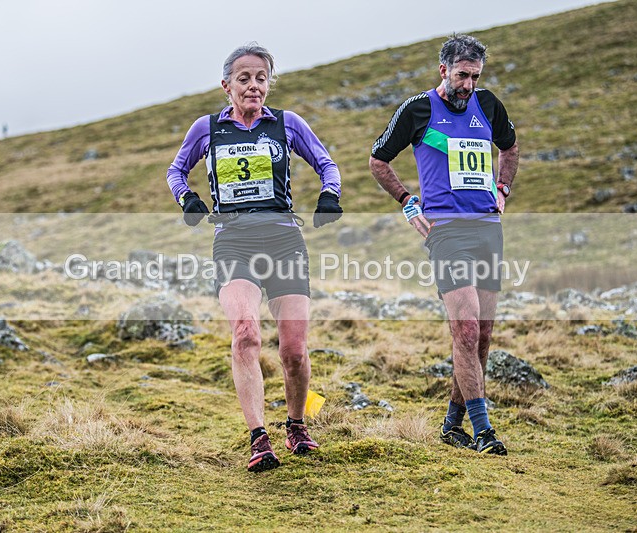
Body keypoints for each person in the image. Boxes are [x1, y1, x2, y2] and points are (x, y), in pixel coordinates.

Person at [166, 42, 343, 472]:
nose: (253, 86)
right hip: (233, 242)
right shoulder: (206, 128)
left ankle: (297, 425)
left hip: (284, 242)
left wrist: (329, 195)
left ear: (269, 84)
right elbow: (175, 170)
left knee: (294, 351)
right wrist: (187, 198)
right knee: (245, 333)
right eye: (244, 78)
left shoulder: (287, 123)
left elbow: (326, 163)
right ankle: (258, 437)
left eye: (261, 78)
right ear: (227, 85)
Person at [369, 34, 518, 455]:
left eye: (474, 76)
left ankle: (452, 424)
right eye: (461, 75)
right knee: (465, 328)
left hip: (487, 227)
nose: (467, 84)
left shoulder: (487, 105)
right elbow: (378, 160)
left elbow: (509, 146)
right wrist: (406, 202)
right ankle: (484, 430)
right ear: (443, 70)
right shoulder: (417, 110)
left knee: (482, 335)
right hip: (446, 231)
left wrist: (503, 188)